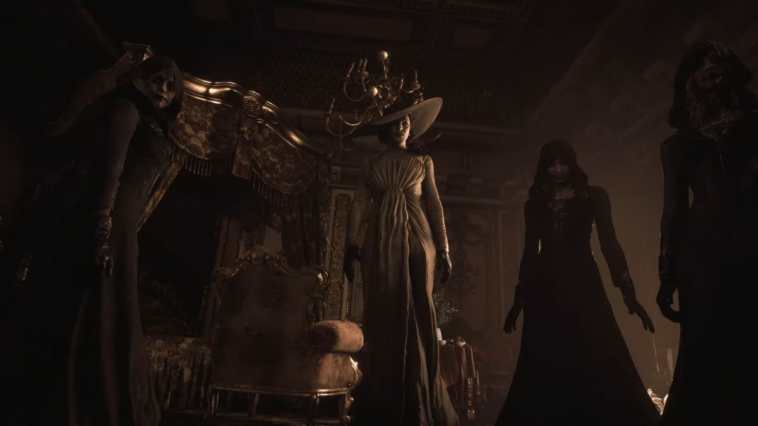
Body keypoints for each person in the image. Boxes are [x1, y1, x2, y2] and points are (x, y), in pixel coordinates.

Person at [1, 53, 183, 426]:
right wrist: (101, 226)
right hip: (105, 224)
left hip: (123, 229)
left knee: (110, 312)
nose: (164, 89)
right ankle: (80, 406)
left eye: (171, 85)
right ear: (139, 79)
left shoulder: (154, 124)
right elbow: (110, 172)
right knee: (93, 311)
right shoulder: (126, 110)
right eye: (158, 80)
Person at [497, 140, 659, 426]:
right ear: (544, 168)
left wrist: (628, 293)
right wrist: (519, 299)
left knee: (596, 346)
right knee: (546, 354)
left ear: (572, 164)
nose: (558, 169)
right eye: (552, 164)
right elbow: (530, 252)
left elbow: (609, 244)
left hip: (584, 281)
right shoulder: (535, 204)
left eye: (563, 163)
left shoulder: (593, 196)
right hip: (544, 287)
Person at [344, 96, 460, 425]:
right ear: (386, 129)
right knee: (383, 308)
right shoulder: (371, 164)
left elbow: (434, 205)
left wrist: (445, 249)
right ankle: (384, 396)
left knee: (419, 306)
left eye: (406, 122)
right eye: (395, 123)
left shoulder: (423, 161)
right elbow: (358, 204)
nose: (401, 127)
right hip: (380, 241)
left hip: (419, 240)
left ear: (412, 127)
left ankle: (419, 395)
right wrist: (351, 245)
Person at [657, 40, 754, 425]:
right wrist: (667, 275)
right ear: (691, 83)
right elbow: (673, 211)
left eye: (719, 70)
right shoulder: (678, 146)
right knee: (705, 351)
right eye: (705, 72)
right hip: (703, 259)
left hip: (750, 247)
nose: (713, 79)